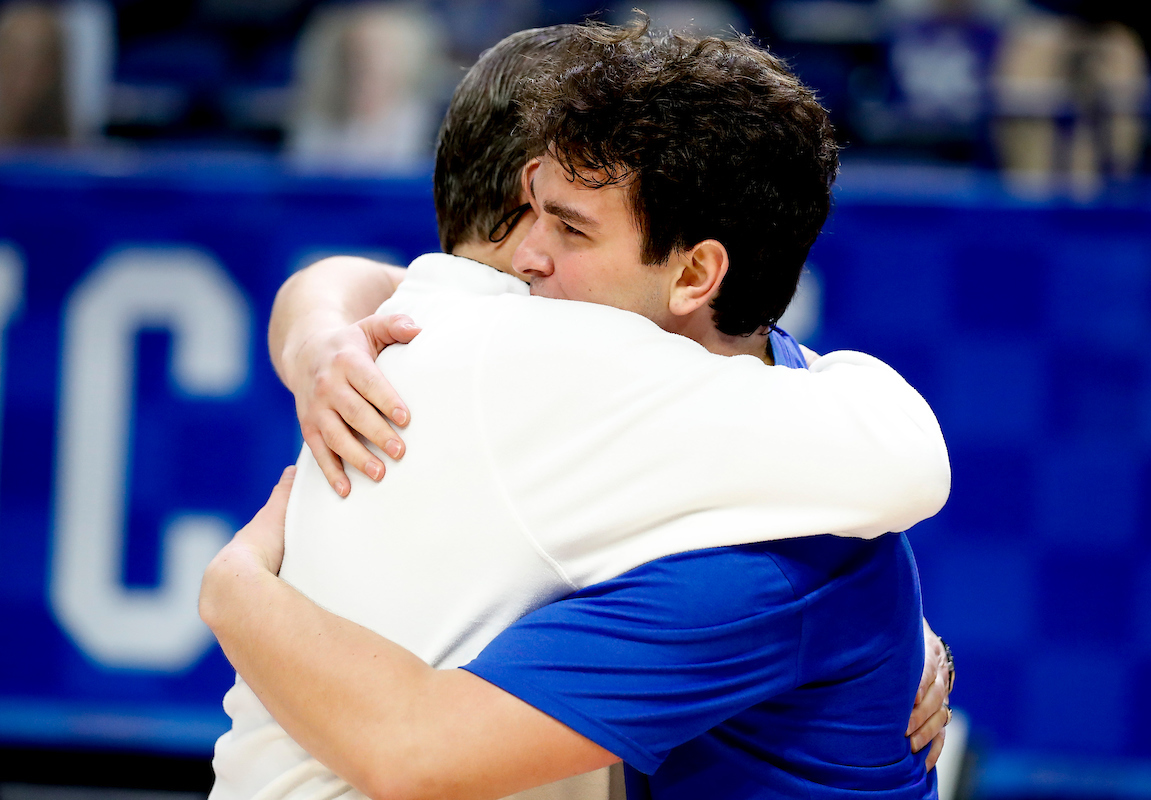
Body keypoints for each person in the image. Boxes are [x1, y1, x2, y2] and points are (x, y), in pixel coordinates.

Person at [201, 22, 952, 800]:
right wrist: (320, 335)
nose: (529, 257)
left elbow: (411, 747)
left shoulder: (737, 540)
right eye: (533, 214)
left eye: (568, 226)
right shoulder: (761, 387)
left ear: (695, 274)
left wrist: (234, 592)